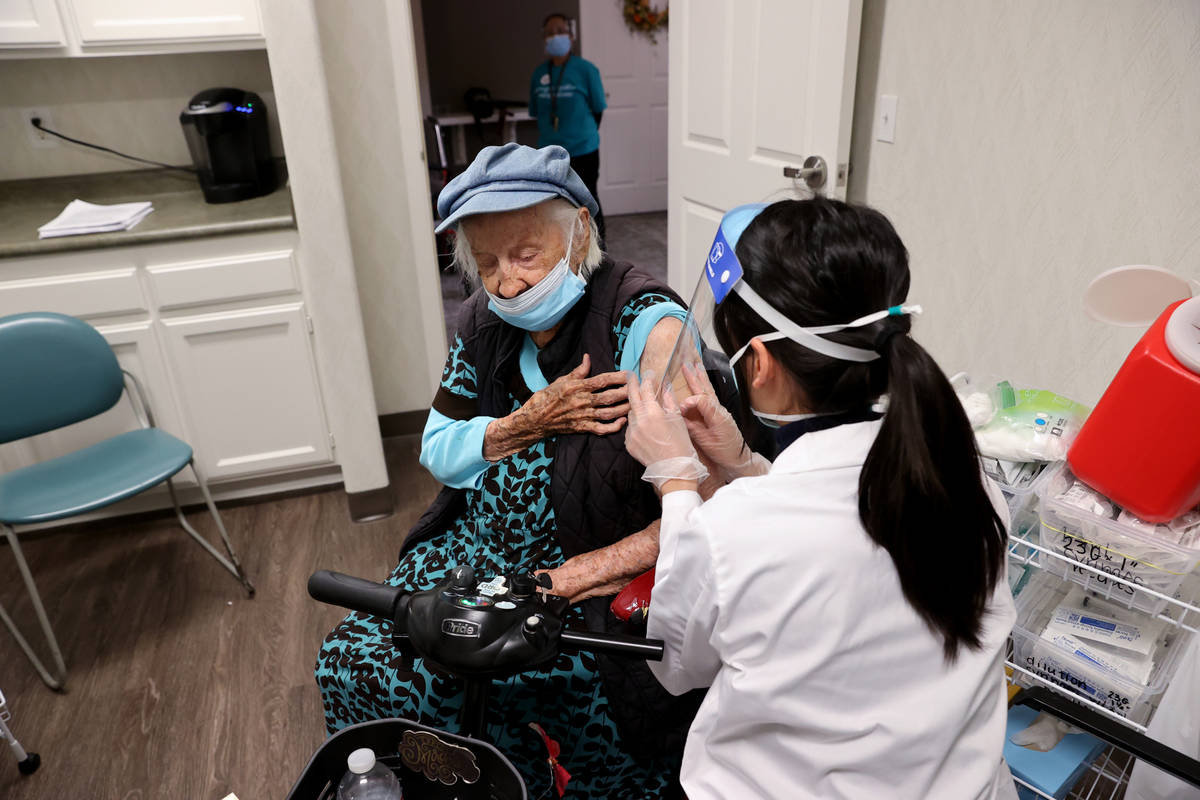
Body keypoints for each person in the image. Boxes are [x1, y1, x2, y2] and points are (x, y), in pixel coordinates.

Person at [315, 143, 700, 798]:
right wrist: (527, 422)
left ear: (579, 233)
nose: (507, 283)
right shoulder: (482, 321)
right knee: (356, 657)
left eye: (526, 254)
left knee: (485, 682)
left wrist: (557, 583)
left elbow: (701, 503)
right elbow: (437, 448)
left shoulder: (645, 325)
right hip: (476, 550)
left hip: (590, 569)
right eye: (486, 262)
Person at [623, 198, 1019, 799]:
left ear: (756, 363)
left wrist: (676, 479)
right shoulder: (967, 482)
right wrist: (745, 464)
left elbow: (676, 664)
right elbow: (824, 533)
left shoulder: (732, 531)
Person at [529, 12, 607, 243]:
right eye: (550, 33)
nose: (555, 37)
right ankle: (562, 248)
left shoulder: (586, 70)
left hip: (583, 149)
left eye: (561, 31)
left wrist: (581, 134)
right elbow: (537, 112)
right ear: (544, 39)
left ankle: (598, 249)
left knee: (588, 200)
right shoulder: (539, 74)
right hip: (549, 153)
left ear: (571, 36)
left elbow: (598, 109)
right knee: (555, 203)